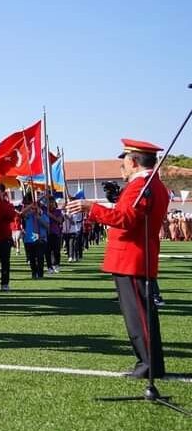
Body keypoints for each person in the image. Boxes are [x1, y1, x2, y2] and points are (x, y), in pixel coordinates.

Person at [65, 139, 169, 378]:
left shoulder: (141, 185)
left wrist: (91, 208)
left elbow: (126, 219)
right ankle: (150, 363)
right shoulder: (151, 185)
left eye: (125, 161)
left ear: (133, 162)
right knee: (141, 316)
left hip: (131, 257)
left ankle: (148, 365)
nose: (123, 166)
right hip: (135, 256)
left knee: (138, 317)